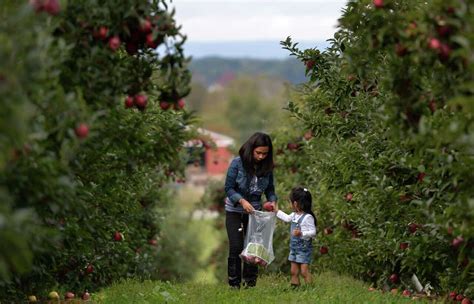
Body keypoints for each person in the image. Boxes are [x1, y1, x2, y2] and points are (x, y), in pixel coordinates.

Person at [224, 132, 277, 289]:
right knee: (236, 246)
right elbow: (228, 188)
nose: (261, 157)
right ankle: (234, 285)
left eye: (265, 154)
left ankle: (250, 285)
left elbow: (270, 189)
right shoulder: (237, 163)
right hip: (234, 210)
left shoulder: (267, 167)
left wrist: (273, 201)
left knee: (253, 247)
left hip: (255, 213)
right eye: (258, 153)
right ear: (251, 149)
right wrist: (241, 200)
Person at [274, 186, 317, 288]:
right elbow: (286, 218)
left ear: (295, 203)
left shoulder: (308, 217)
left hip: (304, 249)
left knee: (304, 271)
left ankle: (311, 289)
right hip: (294, 248)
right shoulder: (294, 215)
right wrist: (276, 211)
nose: (290, 204)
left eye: (291, 202)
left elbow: (313, 232)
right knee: (293, 271)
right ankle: (295, 288)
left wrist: (302, 233)